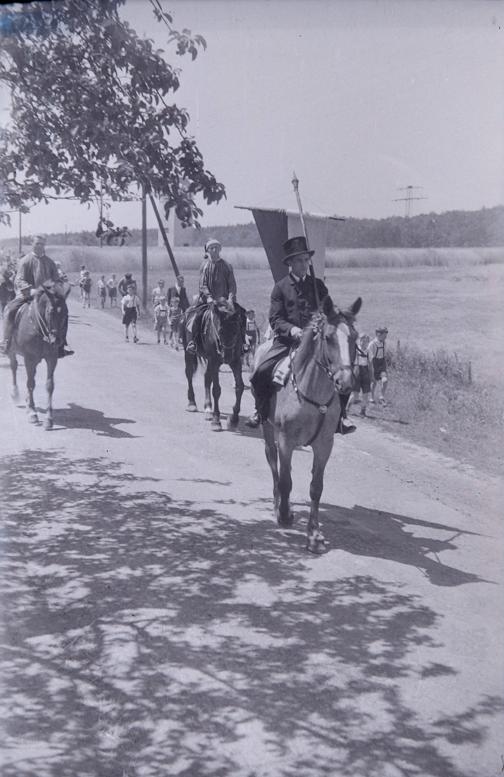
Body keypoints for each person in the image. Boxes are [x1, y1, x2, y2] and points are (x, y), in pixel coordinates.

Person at [245, 235, 355, 434]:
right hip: (287, 342)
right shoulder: (280, 288)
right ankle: (260, 411)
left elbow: (329, 311)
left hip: (315, 343)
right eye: (299, 261)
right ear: (290, 263)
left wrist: (327, 319)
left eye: (306, 260)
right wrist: (293, 330)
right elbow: (276, 319)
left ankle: (341, 417)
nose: (304, 265)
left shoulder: (318, 285)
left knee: (343, 370)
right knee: (261, 372)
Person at [0, 235, 74, 357]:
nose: (40, 246)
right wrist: (31, 289)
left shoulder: (50, 262)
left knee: (63, 313)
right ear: (32, 244)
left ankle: (61, 344)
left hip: (47, 297)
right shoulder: (25, 261)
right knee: (10, 309)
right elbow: (19, 279)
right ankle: (6, 341)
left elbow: (56, 279)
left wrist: (57, 287)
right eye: (37, 243)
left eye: (42, 244)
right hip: (28, 294)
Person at [186, 238, 247, 354]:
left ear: (220, 250)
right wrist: (208, 297)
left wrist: (230, 298)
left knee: (242, 314)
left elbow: (232, 285)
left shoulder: (227, 266)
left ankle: (243, 342)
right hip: (209, 301)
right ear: (208, 251)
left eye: (216, 248)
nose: (214, 250)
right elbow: (202, 284)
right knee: (197, 316)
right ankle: (193, 342)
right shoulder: (205, 266)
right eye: (211, 248)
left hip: (224, 302)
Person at [347, 332, 372, 417]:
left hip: (365, 372)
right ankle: (347, 408)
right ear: (360, 341)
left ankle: (363, 411)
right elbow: (350, 362)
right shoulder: (355, 350)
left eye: (366, 341)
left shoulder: (368, 351)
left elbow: (370, 364)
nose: (364, 343)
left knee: (366, 394)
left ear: (368, 342)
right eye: (362, 341)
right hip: (357, 371)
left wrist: (371, 375)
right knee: (355, 396)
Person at [368, 326, 389, 405]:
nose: (386, 336)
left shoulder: (384, 343)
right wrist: (370, 368)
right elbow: (369, 357)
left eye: (386, 334)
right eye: (384, 334)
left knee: (385, 380)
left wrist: (385, 364)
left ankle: (381, 397)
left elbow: (384, 355)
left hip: (382, 363)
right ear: (378, 334)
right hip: (374, 363)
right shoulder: (372, 344)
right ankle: (371, 397)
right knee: (374, 382)